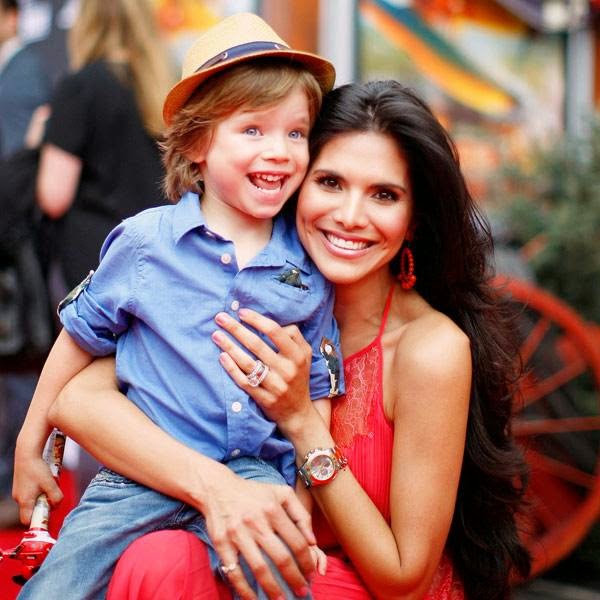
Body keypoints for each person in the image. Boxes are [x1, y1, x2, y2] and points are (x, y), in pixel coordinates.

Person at [41, 80, 532, 600]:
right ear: (294, 181)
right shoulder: (237, 294)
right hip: (238, 554)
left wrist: (301, 419)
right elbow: (78, 398)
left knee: (167, 561)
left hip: (353, 584)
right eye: (331, 182)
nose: (350, 216)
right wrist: (220, 490)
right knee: (158, 557)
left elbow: (404, 580)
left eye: (384, 195)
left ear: (414, 221)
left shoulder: (430, 349)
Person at [14, 11, 340, 600]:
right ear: (196, 142)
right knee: (55, 588)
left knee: (283, 585)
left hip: (253, 472)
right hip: (134, 479)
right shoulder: (144, 242)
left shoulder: (307, 272)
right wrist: (29, 445)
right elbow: (78, 338)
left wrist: (302, 503)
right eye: (253, 130)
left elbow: (316, 393)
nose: (281, 151)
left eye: (296, 133)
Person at [35, 0, 174, 291]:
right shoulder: (169, 88)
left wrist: (38, 138)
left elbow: (54, 196)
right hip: (162, 256)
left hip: (96, 263)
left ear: (86, 23)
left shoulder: (79, 87)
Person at [0, 0, 52, 529]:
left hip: (19, 245)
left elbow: (19, 168)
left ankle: (10, 483)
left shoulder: (24, 75)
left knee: (18, 360)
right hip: (13, 239)